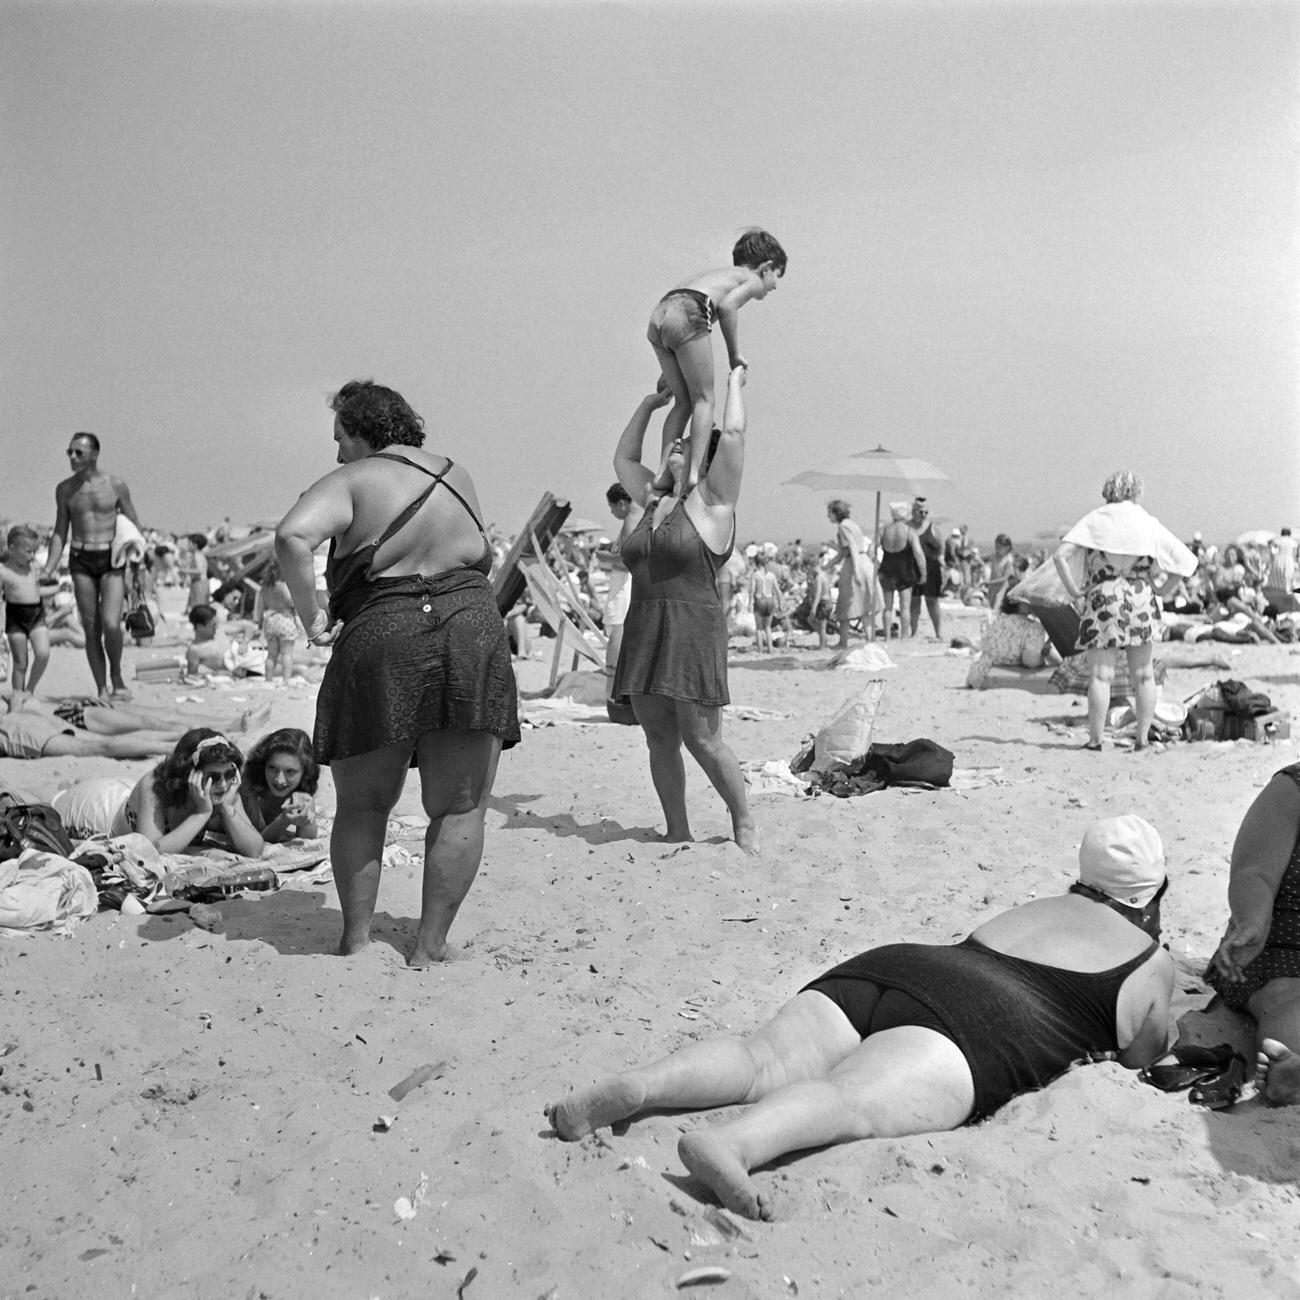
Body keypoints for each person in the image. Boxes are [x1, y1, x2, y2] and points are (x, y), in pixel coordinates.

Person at [548, 815, 1174, 1219]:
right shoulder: (1150, 957)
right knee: (846, 1098)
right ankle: (732, 1145)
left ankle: (645, 1087)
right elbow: (1143, 1048)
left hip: (903, 966)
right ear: (1150, 897)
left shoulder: (1043, 903)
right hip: (980, 1020)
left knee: (758, 1058)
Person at [275, 378, 519, 963]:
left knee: (364, 804)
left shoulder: (352, 480)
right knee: (459, 806)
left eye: (340, 437)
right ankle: (429, 946)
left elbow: (291, 535)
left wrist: (313, 620)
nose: (336, 453)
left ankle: (357, 940)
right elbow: (480, 551)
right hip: (469, 624)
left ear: (363, 433)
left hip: (384, 628)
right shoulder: (456, 474)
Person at [612, 366, 757, 854]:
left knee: (703, 739)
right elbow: (625, 456)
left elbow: (732, 433)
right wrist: (652, 406)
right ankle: (677, 828)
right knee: (658, 738)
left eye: (683, 443)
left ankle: (744, 824)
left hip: (692, 629)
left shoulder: (712, 504)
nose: (674, 445)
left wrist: (733, 383)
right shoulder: (647, 501)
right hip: (645, 628)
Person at [1053, 471, 1197, 751]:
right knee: (1144, 674)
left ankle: (1096, 740)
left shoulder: (1095, 519)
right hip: (1140, 598)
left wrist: (1073, 590)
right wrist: (1163, 590)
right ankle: (1142, 739)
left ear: (1108, 491)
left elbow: (1060, 555)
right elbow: (1186, 561)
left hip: (1102, 599)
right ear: (1136, 492)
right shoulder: (1147, 521)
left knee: (1100, 676)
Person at [647, 229, 786, 491]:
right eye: (777, 276)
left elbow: (684, 321)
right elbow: (727, 307)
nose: (775, 285)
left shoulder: (717, 277)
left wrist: (672, 366)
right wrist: (735, 354)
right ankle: (693, 474)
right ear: (766, 267)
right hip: (689, 310)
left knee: (683, 402)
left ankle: (663, 473)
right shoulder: (751, 279)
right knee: (705, 400)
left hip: (661, 313)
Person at [1206, 764, 1300, 1105]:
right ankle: (1294, 1074)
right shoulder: (1291, 790)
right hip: (1282, 951)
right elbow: (1254, 873)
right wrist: (1253, 921)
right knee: (1289, 1007)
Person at [39, 431, 141, 700]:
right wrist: (48, 568)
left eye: (78, 452)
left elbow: (133, 527)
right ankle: (101, 687)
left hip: (110, 558)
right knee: (91, 626)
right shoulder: (65, 489)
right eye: (69, 452)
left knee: (111, 623)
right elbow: (61, 530)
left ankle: (116, 675)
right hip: (81, 558)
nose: (72, 457)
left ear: (94, 454)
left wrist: (138, 566)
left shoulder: (116, 485)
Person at [111, 728, 264, 856]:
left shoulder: (226, 790)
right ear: (189, 775)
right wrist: (201, 814)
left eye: (229, 774)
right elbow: (149, 854)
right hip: (102, 808)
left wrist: (226, 807)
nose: (223, 784)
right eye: (213, 777)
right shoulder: (154, 788)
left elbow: (255, 850)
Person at [1, 525, 52, 711]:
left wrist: (58, 590)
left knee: (43, 653)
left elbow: (37, 590)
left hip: (36, 614)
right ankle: (17, 700)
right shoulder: (3, 571)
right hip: (15, 617)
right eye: (28, 551)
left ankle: (29, 689)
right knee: (20, 662)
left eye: (35, 551)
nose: (32, 556)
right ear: (12, 547)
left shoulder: (34, 568)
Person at [597, 483, 639, 707]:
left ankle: (619, 694)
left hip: (624, 588)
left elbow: (627, 560)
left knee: (619, 635)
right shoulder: (633, 520)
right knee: (618, 635)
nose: (611, 512)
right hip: (622, 587)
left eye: (612, 507)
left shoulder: (631, 521)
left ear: (622, 503)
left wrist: (605, 557)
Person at [240, 727, 320, 843]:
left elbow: (307, 841)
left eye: (290, 772)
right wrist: (283, 820)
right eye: (273, 768)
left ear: (305, 773)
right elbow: (255, 842)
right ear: (263, 765)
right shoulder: (249, 785)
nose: (279, 780)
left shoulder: (300, 791)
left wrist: (308, 808)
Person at [823, 500, 876, 647]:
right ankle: (869, 640)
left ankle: (844, 641)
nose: (828, 516)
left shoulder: (843, 527)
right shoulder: (851, 524)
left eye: (830, 513)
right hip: (863, 561)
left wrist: (856, 572)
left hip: (854, 564)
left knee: (846, 605)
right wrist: (826, 566)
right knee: (862, 605)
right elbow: (842, 553)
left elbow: (851, 548)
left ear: (835, 513)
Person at [876, 502, 924, 641]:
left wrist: (877, 565)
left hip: (887, 569)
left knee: (888, 607)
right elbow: (919, 554)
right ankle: (903, 637)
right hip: (905, 570)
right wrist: (923, 573)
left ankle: (887, 637)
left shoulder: (884, 530)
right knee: (904, 607)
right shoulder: (910, 531)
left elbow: (870, 551)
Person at [254, 561, 301, 686]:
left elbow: (259, 609)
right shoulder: (283, 586)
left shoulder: (263, 589)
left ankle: (268, 680)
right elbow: (291, 602)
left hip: (270, 620)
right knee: (287, 654)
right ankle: (286, 680)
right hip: (285, 619)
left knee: (271, 654)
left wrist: (259, 623)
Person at [908, 498, 944, 639]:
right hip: (912, 568)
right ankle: (914, 631)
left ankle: (938, 632)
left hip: (931, 567)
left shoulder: (932, 527)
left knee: (932, 600)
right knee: (914, 600)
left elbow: (941, 546)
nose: (923, 515)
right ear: (913, 512)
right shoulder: (907, 526)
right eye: (920, 512)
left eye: (926, 512)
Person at [748, 551, 783, 654]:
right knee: (768, 627)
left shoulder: (755, 575)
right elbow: (778, 591)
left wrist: (750, 603)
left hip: (760, 600)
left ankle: (760, 650)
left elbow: (752, 591)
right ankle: (770, 648)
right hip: (770, 600)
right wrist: (780, 604)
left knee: (759, 628)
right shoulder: (771, 576)